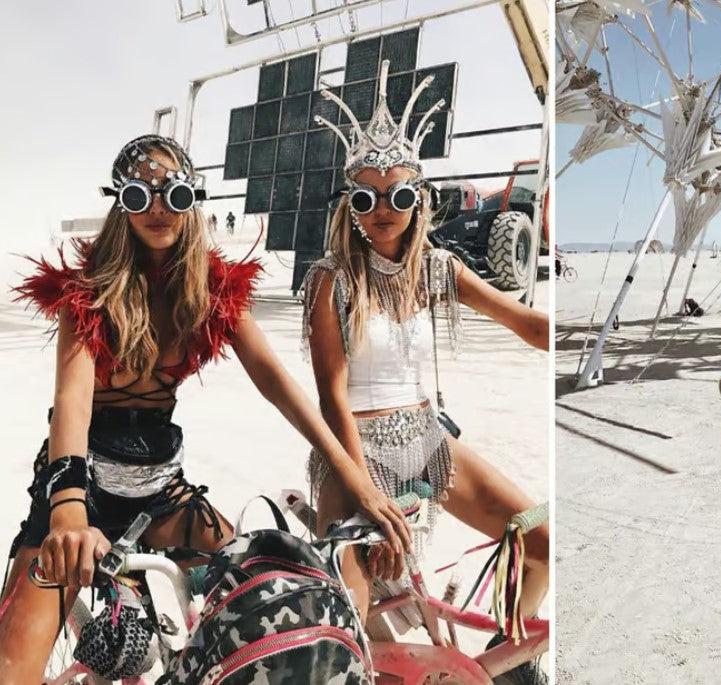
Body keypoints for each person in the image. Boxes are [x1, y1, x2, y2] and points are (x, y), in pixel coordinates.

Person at [0, 135, 411, 683]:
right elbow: (71, 403)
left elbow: (277, 383)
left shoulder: (214, 289)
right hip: (78, 485)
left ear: (192, 198)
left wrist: (355, 479)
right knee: (12, 671)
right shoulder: (88, 292)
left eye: (172, 194)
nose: (158, 210)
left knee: (270, 598)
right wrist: (69, 512)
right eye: (138, 195)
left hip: (163, 492)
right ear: (120, 204)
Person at [303, 62, 550, 684]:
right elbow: (331, 397)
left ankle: (499, 662)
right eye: (367, 196)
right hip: (351, 450)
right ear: (351, 206)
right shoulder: (330, 281)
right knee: (349, 610)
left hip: (428, 439)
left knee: (538, 537)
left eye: (399, 195)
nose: (383, 209)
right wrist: (366, 492)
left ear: (420, 200)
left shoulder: (439, 268)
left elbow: (522, 321)